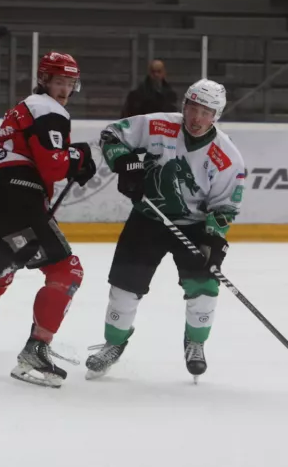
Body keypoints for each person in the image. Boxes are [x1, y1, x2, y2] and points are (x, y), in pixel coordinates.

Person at [0, 52, 98, 388]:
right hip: (20, 199)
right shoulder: (49, 109)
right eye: (59, 81)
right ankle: (36, 351)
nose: (65, 90)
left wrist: (73, 159)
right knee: (67, 270)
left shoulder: (22, 108)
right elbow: (54, 165)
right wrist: (79, 156)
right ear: (44, 80)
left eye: (70, 83)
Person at [86, 79, 246, 381]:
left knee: (204, 287)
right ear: (183, 106)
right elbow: (111, 134)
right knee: (124, 285)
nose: (197, 118)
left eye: (206, 112)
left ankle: (195, 343)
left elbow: (224, 206)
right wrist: (127, 164)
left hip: (195, 225)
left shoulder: (227, 155)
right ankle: (113, 344)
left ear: (216, 116)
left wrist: (213, 242)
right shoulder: (158, 125)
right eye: (193, 108)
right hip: (147, 218)